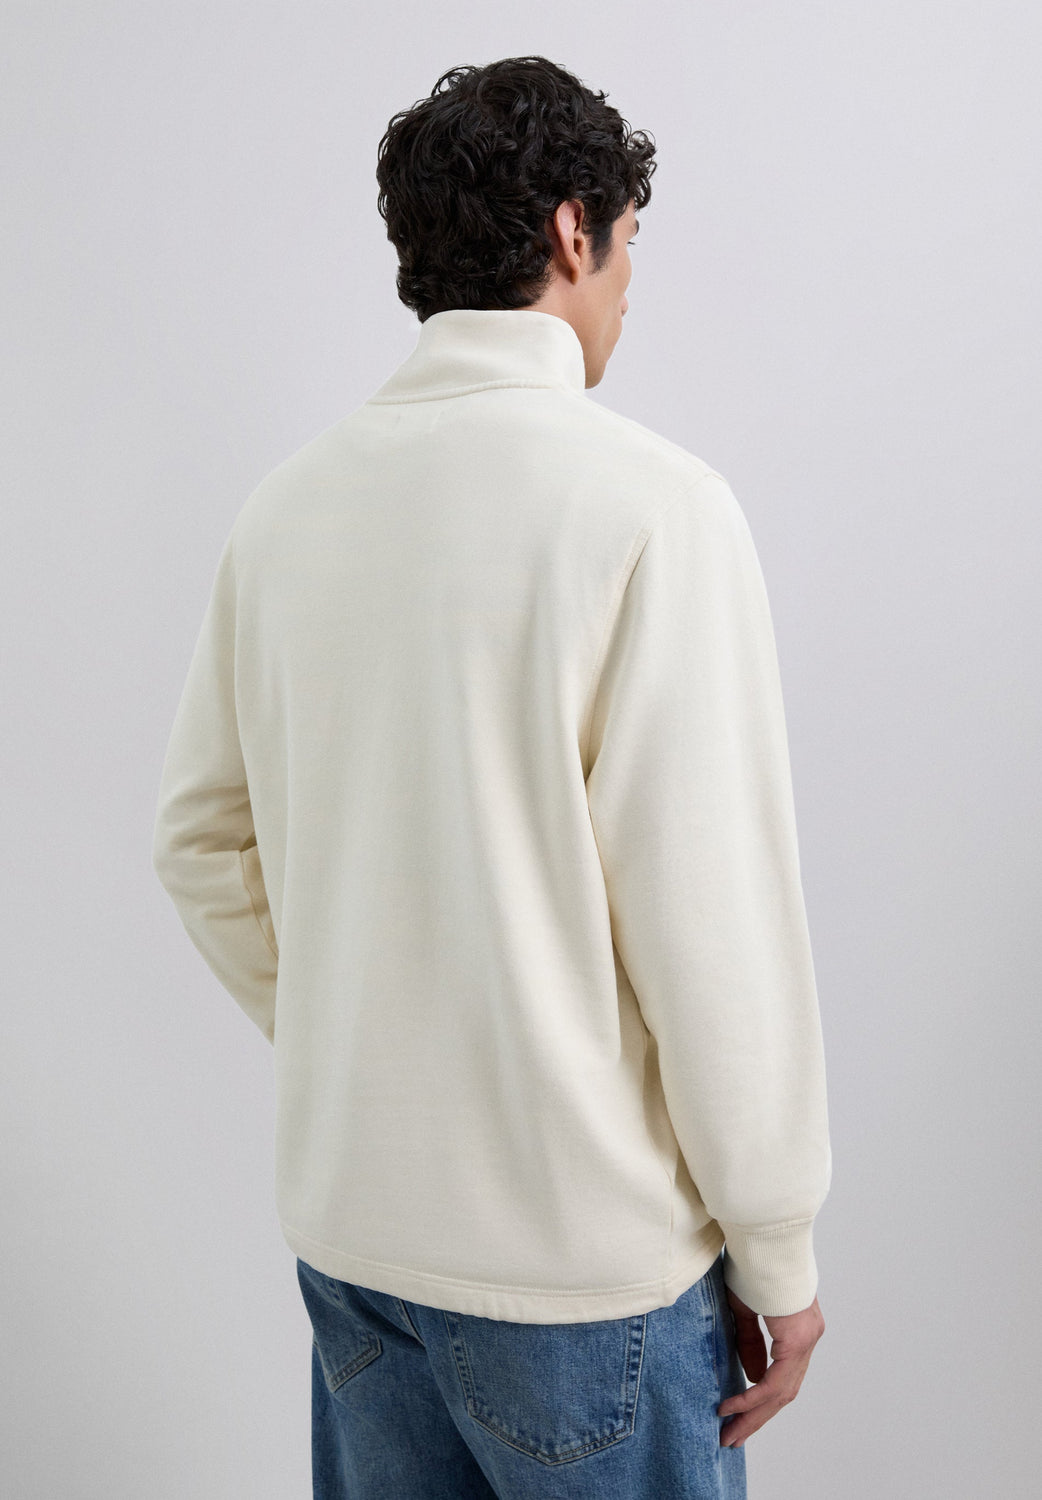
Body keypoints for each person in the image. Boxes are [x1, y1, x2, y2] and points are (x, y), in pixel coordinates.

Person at [151, 54, 832, 1499]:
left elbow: (201, 840)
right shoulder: (652, 510)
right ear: (575, 233)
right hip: (580, 1272)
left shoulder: (289, 510)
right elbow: (708, 919)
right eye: (628, 239)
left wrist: (362, 1029)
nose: (631, 283)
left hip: (357, 1244)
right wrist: (777, 1248)